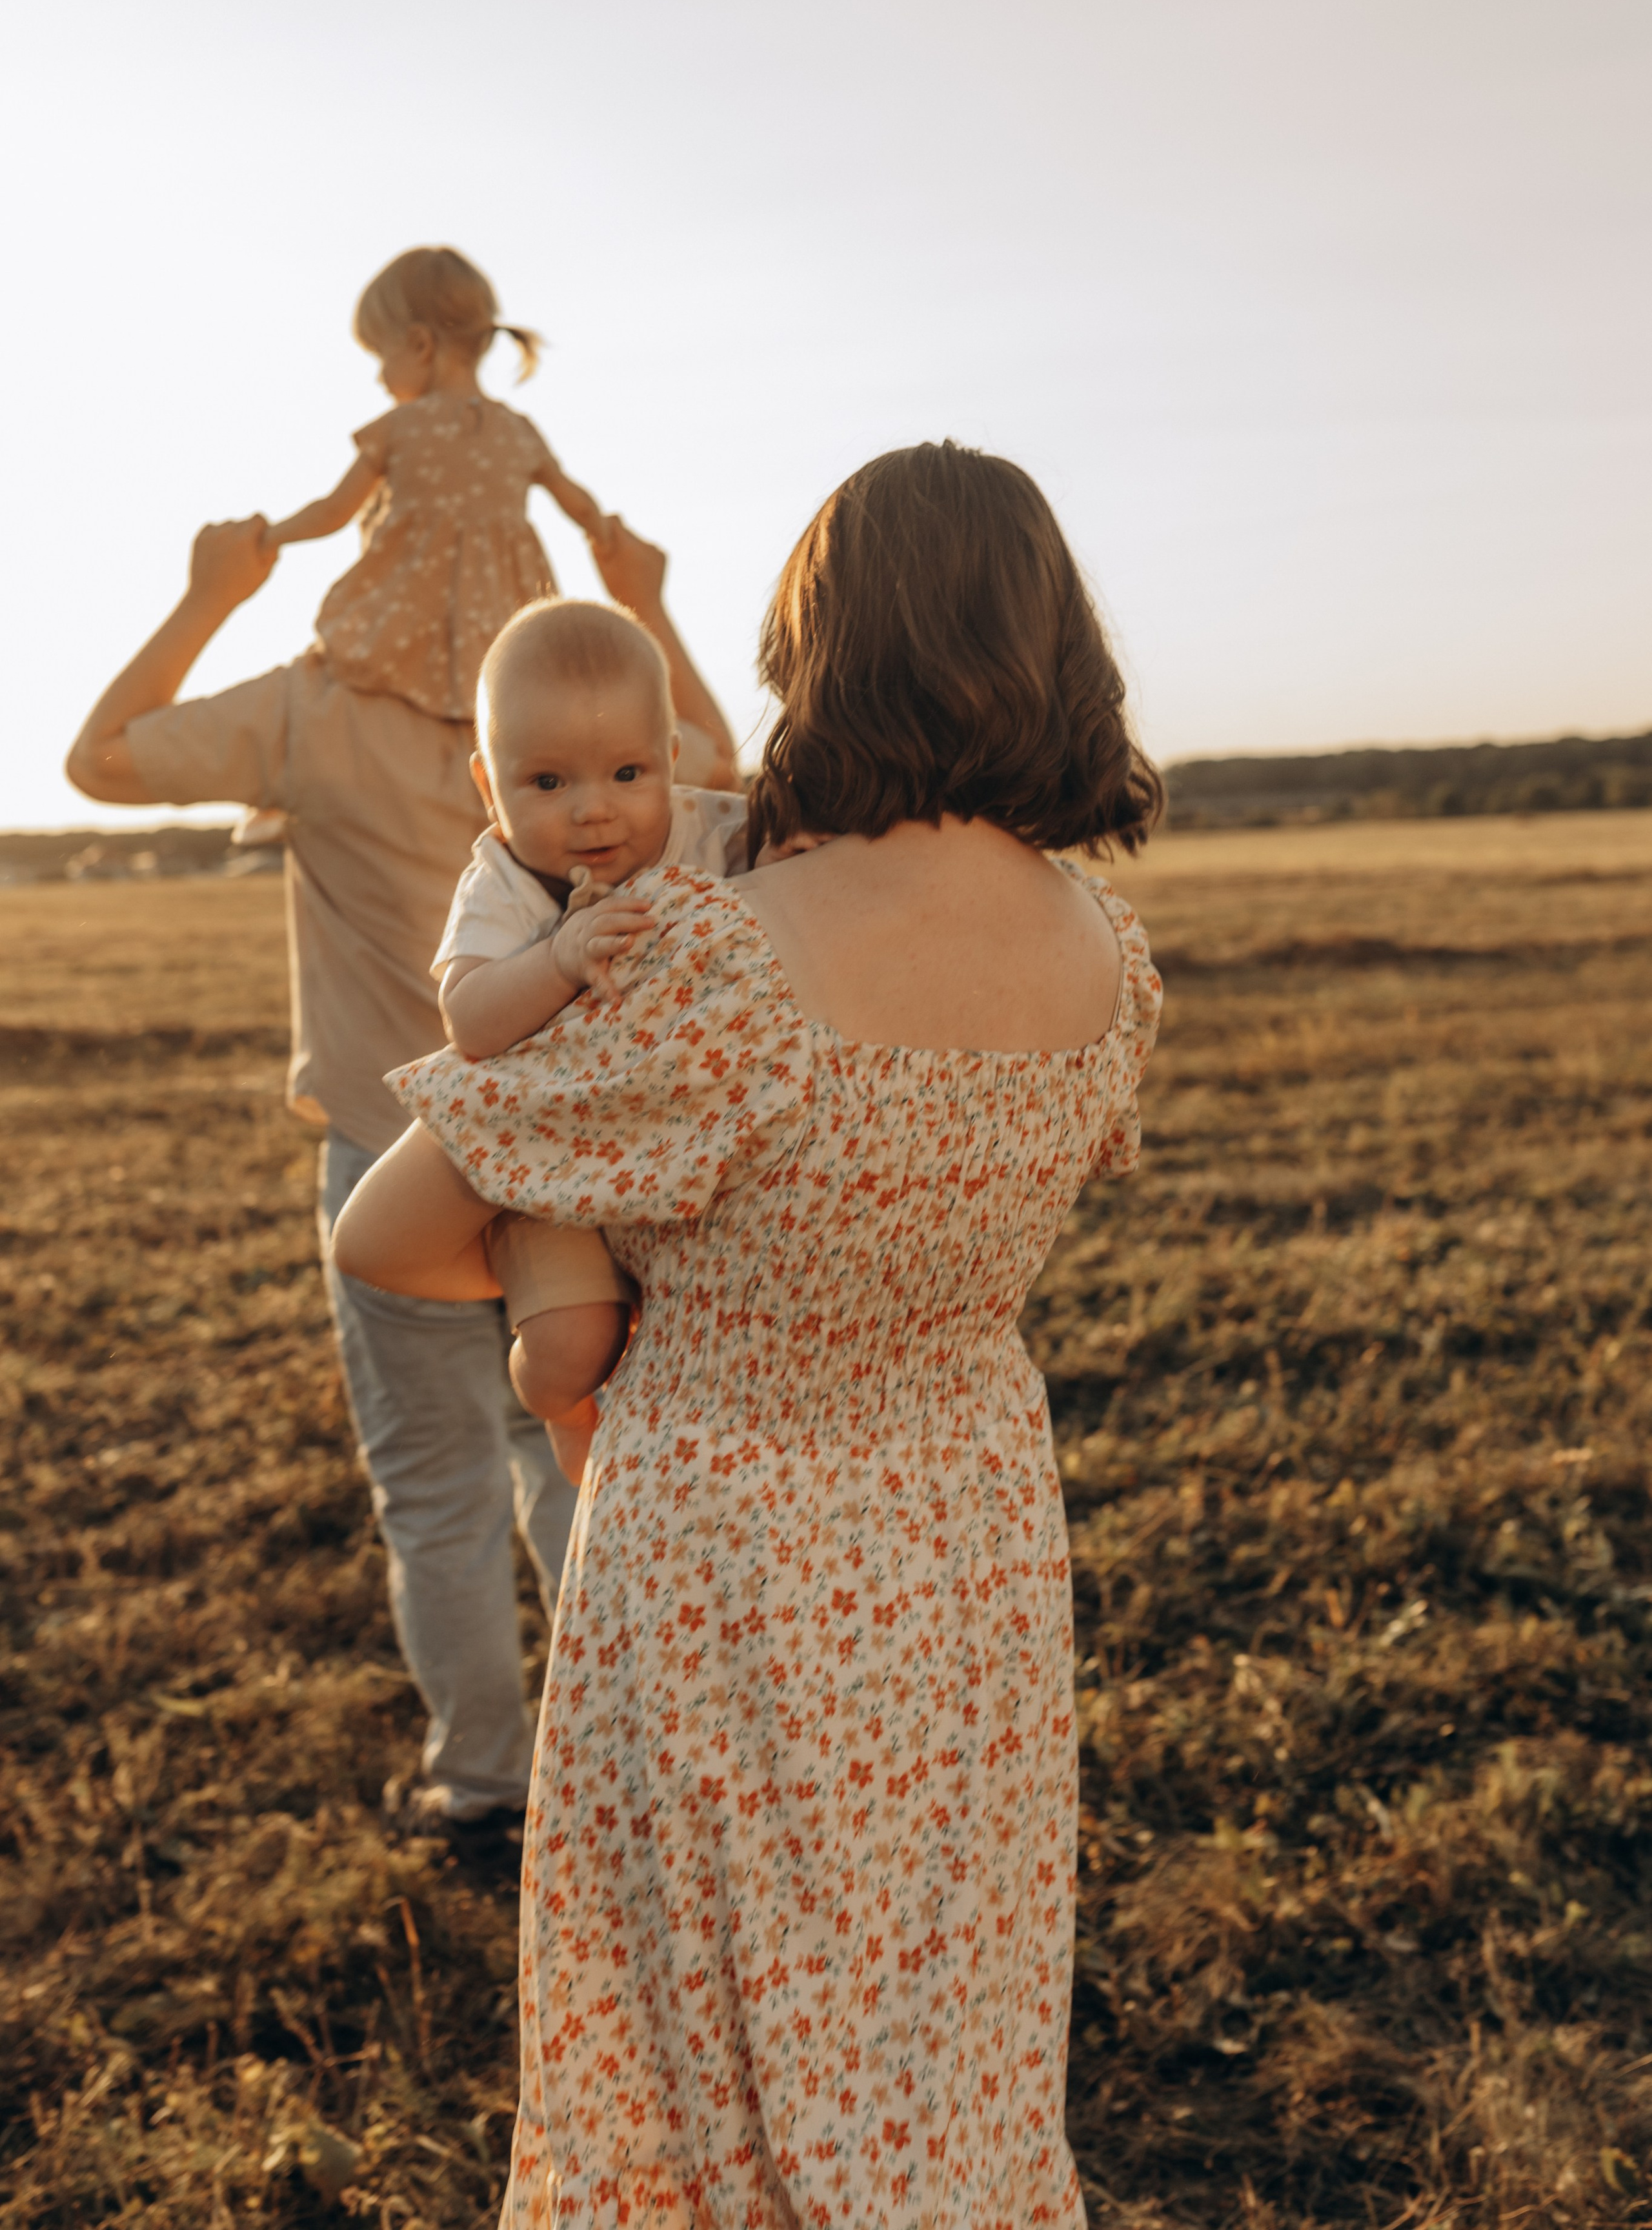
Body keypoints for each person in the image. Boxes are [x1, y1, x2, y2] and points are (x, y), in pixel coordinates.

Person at [334, 439, 1165, 2225]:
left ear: (821, 651)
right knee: (942, 2021)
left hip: (729, 1547)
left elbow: (386, 1229)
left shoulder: (723, 953)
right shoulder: (1105, 946)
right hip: (972, 1538)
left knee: (708, 2034)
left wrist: (602, 1288)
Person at [64, 501, 739, 1847]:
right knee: (590, 1463)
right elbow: (722, 772)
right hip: (607, 1169)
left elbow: (102, 760)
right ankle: (627, 1765)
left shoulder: (317, 710)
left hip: (399, 1158)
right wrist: (642, 599)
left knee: (437, 1488)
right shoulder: (600, 685)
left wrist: (214, 592)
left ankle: (482, 1780)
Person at [433, 594, 747, 1427]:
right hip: (546, 1164)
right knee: (575, 1344)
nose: (592, 808)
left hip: (671, 1140)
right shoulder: (502, 881)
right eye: (546, 781)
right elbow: (467, 1018)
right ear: (486, 784)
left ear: (672, 759)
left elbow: (803, 873)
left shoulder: (712, 831)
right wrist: (556, 958)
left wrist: (795, 845)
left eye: (627, 774)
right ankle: (557, 1410)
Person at [232, 244, 617, 849]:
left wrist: (270, 535)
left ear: (418, 345)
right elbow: (579, 503)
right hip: (503, 610)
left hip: (404, 603)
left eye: (379, 357)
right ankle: (508, 828)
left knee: (338, 673)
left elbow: (336, 511)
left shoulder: (399, 428)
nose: (379, 377)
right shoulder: (517, 431)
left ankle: (290, 787)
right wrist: (608, 534)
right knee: (499, 715)